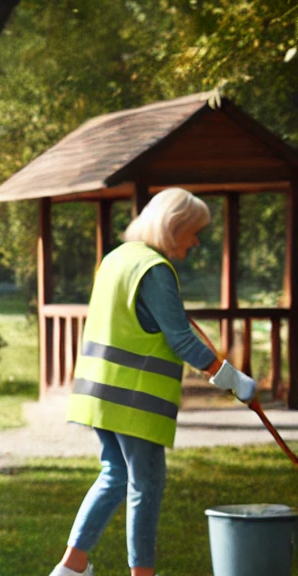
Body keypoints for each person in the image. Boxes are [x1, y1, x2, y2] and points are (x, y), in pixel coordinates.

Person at [49, 189, 256, 576]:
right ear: (173, 226)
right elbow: (181, 339)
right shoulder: (154, 269)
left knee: (115, 474)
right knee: (147, 485)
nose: (195, 242)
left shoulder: (117, 259)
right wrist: (233, 381)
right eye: (192, 232)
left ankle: (71, 568)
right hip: (135, 400)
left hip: (98, 393)